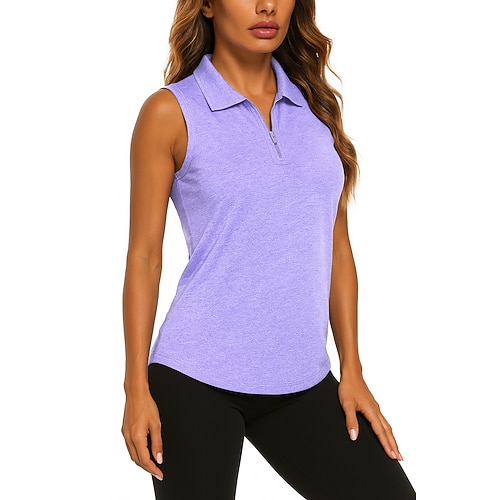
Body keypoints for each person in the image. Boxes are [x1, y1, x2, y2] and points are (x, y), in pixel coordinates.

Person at [121, 1, 416, 498]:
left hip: (301, 377)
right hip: (196, 375)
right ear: (207, 5)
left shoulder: (314, 107)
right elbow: (144, 257)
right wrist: (136, 387)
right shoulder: (170, 112)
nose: (266, 6)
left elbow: (337, 247)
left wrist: (353, 369)